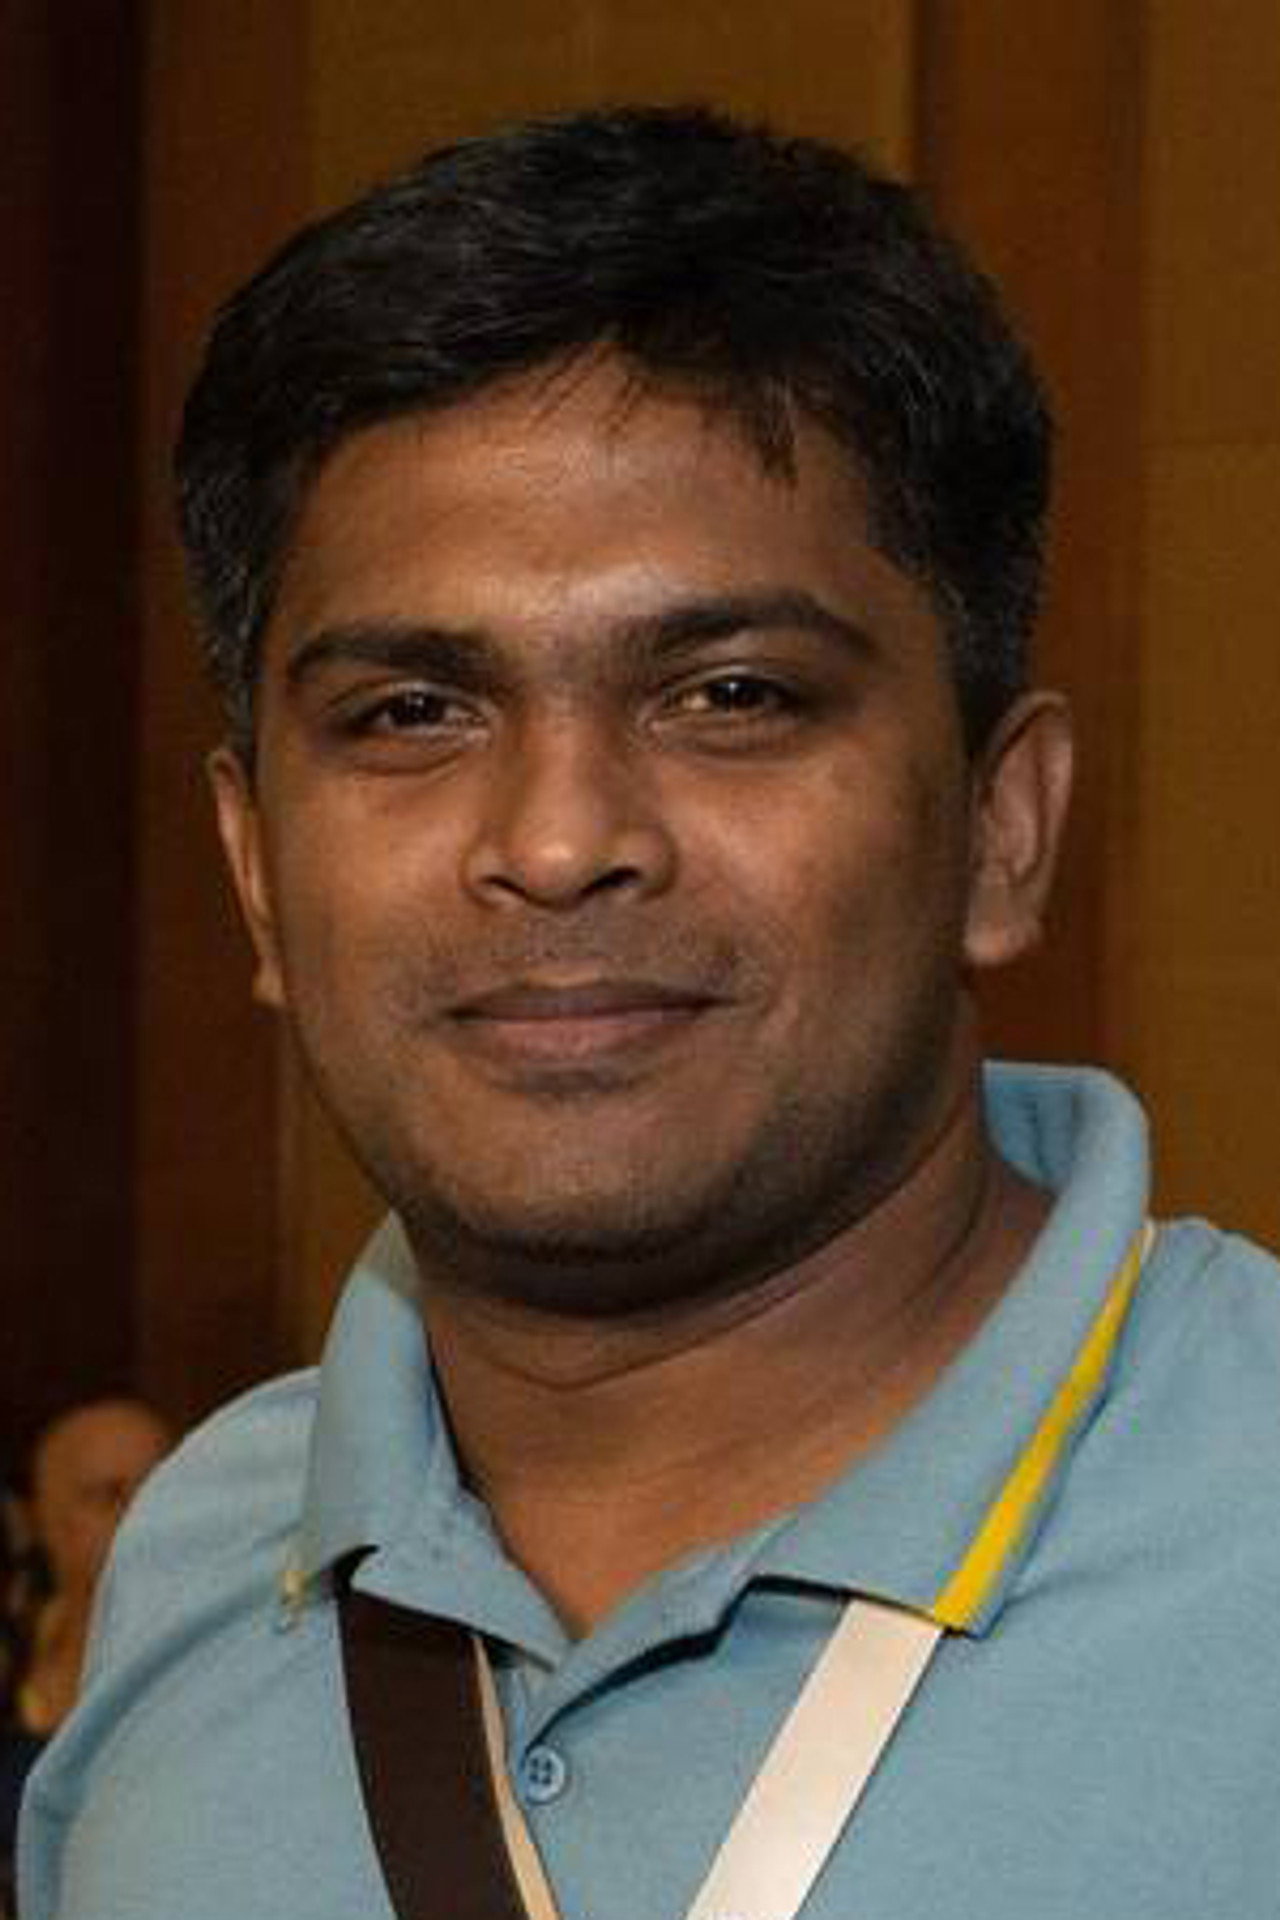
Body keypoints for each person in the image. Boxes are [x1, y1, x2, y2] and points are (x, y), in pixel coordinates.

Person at [19, 104, 1280, 1920]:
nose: (555, 842)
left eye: (732, 694)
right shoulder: (201, 1570)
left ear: (1002, 829)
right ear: (255, 871)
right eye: (409, 714)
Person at [2, 1401, 169, 1914]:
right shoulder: (13, 1669)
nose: (143, 1512)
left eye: (161, 1485)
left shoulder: (227, 1663)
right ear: (44, 1523)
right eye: (109, 1495)